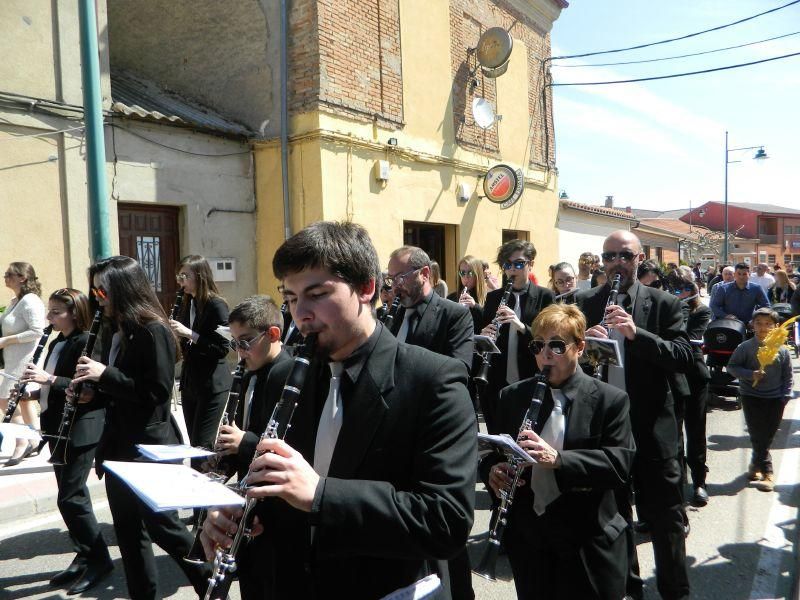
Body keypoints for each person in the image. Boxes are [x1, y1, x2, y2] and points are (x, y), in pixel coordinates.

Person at [200, 221, 476, 599]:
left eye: (317, 294)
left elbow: (447, 521)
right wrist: (232, 512)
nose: (301, 314)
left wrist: (321, 495)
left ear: (366, 288)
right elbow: (281, 487)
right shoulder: (290, 376)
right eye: (292, 298)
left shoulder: (434, 381)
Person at [71, 256, 209, 599]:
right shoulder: (118, 329)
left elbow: (156, 392)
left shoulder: (153, 329)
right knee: (129, 535)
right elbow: (120, 391)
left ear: (123, 287)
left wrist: (105, 375)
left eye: (103, 288)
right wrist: (92, 393)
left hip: (149, 447)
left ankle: (209, 582)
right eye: (95, 289)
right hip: (119, 446)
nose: (98, 296)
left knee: (165, 529)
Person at [480, 303, 635, 599]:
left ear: (579, 347)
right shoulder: (512, 396)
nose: (544, 355)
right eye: (538, 346)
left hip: (587, 540)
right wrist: (493, 471)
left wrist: (559, 459)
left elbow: (620, 464)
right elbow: (494, 452)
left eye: (556, 346)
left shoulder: (610, 400)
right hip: (531, 541)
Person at [575, 230, 693, 600]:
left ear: (640, 259)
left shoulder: (663, 304)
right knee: (615, 520)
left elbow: (682, 356)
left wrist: (634, 333)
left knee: (665, 519)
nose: (616, 264)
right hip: (606, 431)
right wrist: (581, 350)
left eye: (625, 256)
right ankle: (630, 589)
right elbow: (573, 368)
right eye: (609, 257)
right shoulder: (585, 302)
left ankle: (675, 591)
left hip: (653, 428)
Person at [20, 289, 113, 594]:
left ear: (74, 312)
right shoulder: (59, 340)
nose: (49, 317)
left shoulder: (87, 340)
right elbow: (57, 383)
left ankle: (99, 559)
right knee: (71, 496)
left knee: (70, 498)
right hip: (57, 425)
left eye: (56, 312)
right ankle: (85, 553)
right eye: (50, 311)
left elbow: (86, 389)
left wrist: (46, 380)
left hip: (82, 428)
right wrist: (35, 392)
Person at [214, 295, 292, 599]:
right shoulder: (249, 373)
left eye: (245, 342)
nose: (239, 353)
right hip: (251, 497)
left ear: (273, 335)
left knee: (272, 581)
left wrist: (242, 441)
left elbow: (289, 444)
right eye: (234, 344)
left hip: (278, 507)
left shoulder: (288, 375)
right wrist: (223, 459)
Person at [479, 240, 554, 433]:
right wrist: (484, 335)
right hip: (497, 378)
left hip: (530, 376)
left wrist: (521, 326)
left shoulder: (545, 296)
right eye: (507, 265)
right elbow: (485, 335)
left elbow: (550, 337)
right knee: (499, 434)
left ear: (531, 264)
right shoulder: (494, 297)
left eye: (519, 264)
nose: (513, 269)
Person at [169, 255, 233, 455]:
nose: (181, 282)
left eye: (185, 276)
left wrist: (189, 333)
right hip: (191, 384)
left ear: (200, 275)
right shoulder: (189, 303)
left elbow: (223, 347)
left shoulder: (217, 305)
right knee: (194, 445)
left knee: (202, 445)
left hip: (212, 384)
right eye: (179, 276)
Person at [726, 308, 794, 493]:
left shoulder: (781, 349)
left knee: (768, 435)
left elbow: (788, 375)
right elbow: (731, 367)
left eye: (768, 324)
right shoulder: (745, 347)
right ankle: (768, 472)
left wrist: (785, 395)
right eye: (759, 323)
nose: (763, 328)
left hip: (775, 399)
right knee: (757, 434)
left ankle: (755, 464)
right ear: (752, 325)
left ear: (775, 326)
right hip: (751, 397)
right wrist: (750, 374)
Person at [386, 246, 474, 370]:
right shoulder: (393, 315)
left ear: (425, 274)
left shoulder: (455, 315)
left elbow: (458, 369)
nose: (395, 286)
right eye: (391, 279)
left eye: (401, 277)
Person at [667, 274, 712, 506]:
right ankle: (678, 483)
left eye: (686, 287)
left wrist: (681, 309)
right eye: (677, 289)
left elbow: (686, 338)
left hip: (695, 376)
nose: (682, 292)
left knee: (696, 430)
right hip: (674, 377)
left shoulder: (702, 311)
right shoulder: (667, 309)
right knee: (675, 434)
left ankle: (699, 482)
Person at [0, 261, 46, 466]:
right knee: (24, 402)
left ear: (23, 278)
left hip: (24, 360)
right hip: (12, 360)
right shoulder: (15, 300)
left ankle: (22, 442)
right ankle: (34, 440)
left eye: (10, 274)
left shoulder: (30, 300)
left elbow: (38, 330)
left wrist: (7, 340)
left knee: (5, 400)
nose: (5, 276)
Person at [447, 255, 487, 333]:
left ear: (477, 275)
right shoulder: (451, 298)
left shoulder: (489, 297)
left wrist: (475, 306)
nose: (466, 277)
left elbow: (488, 321)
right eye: (462, 273)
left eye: (470, 273)